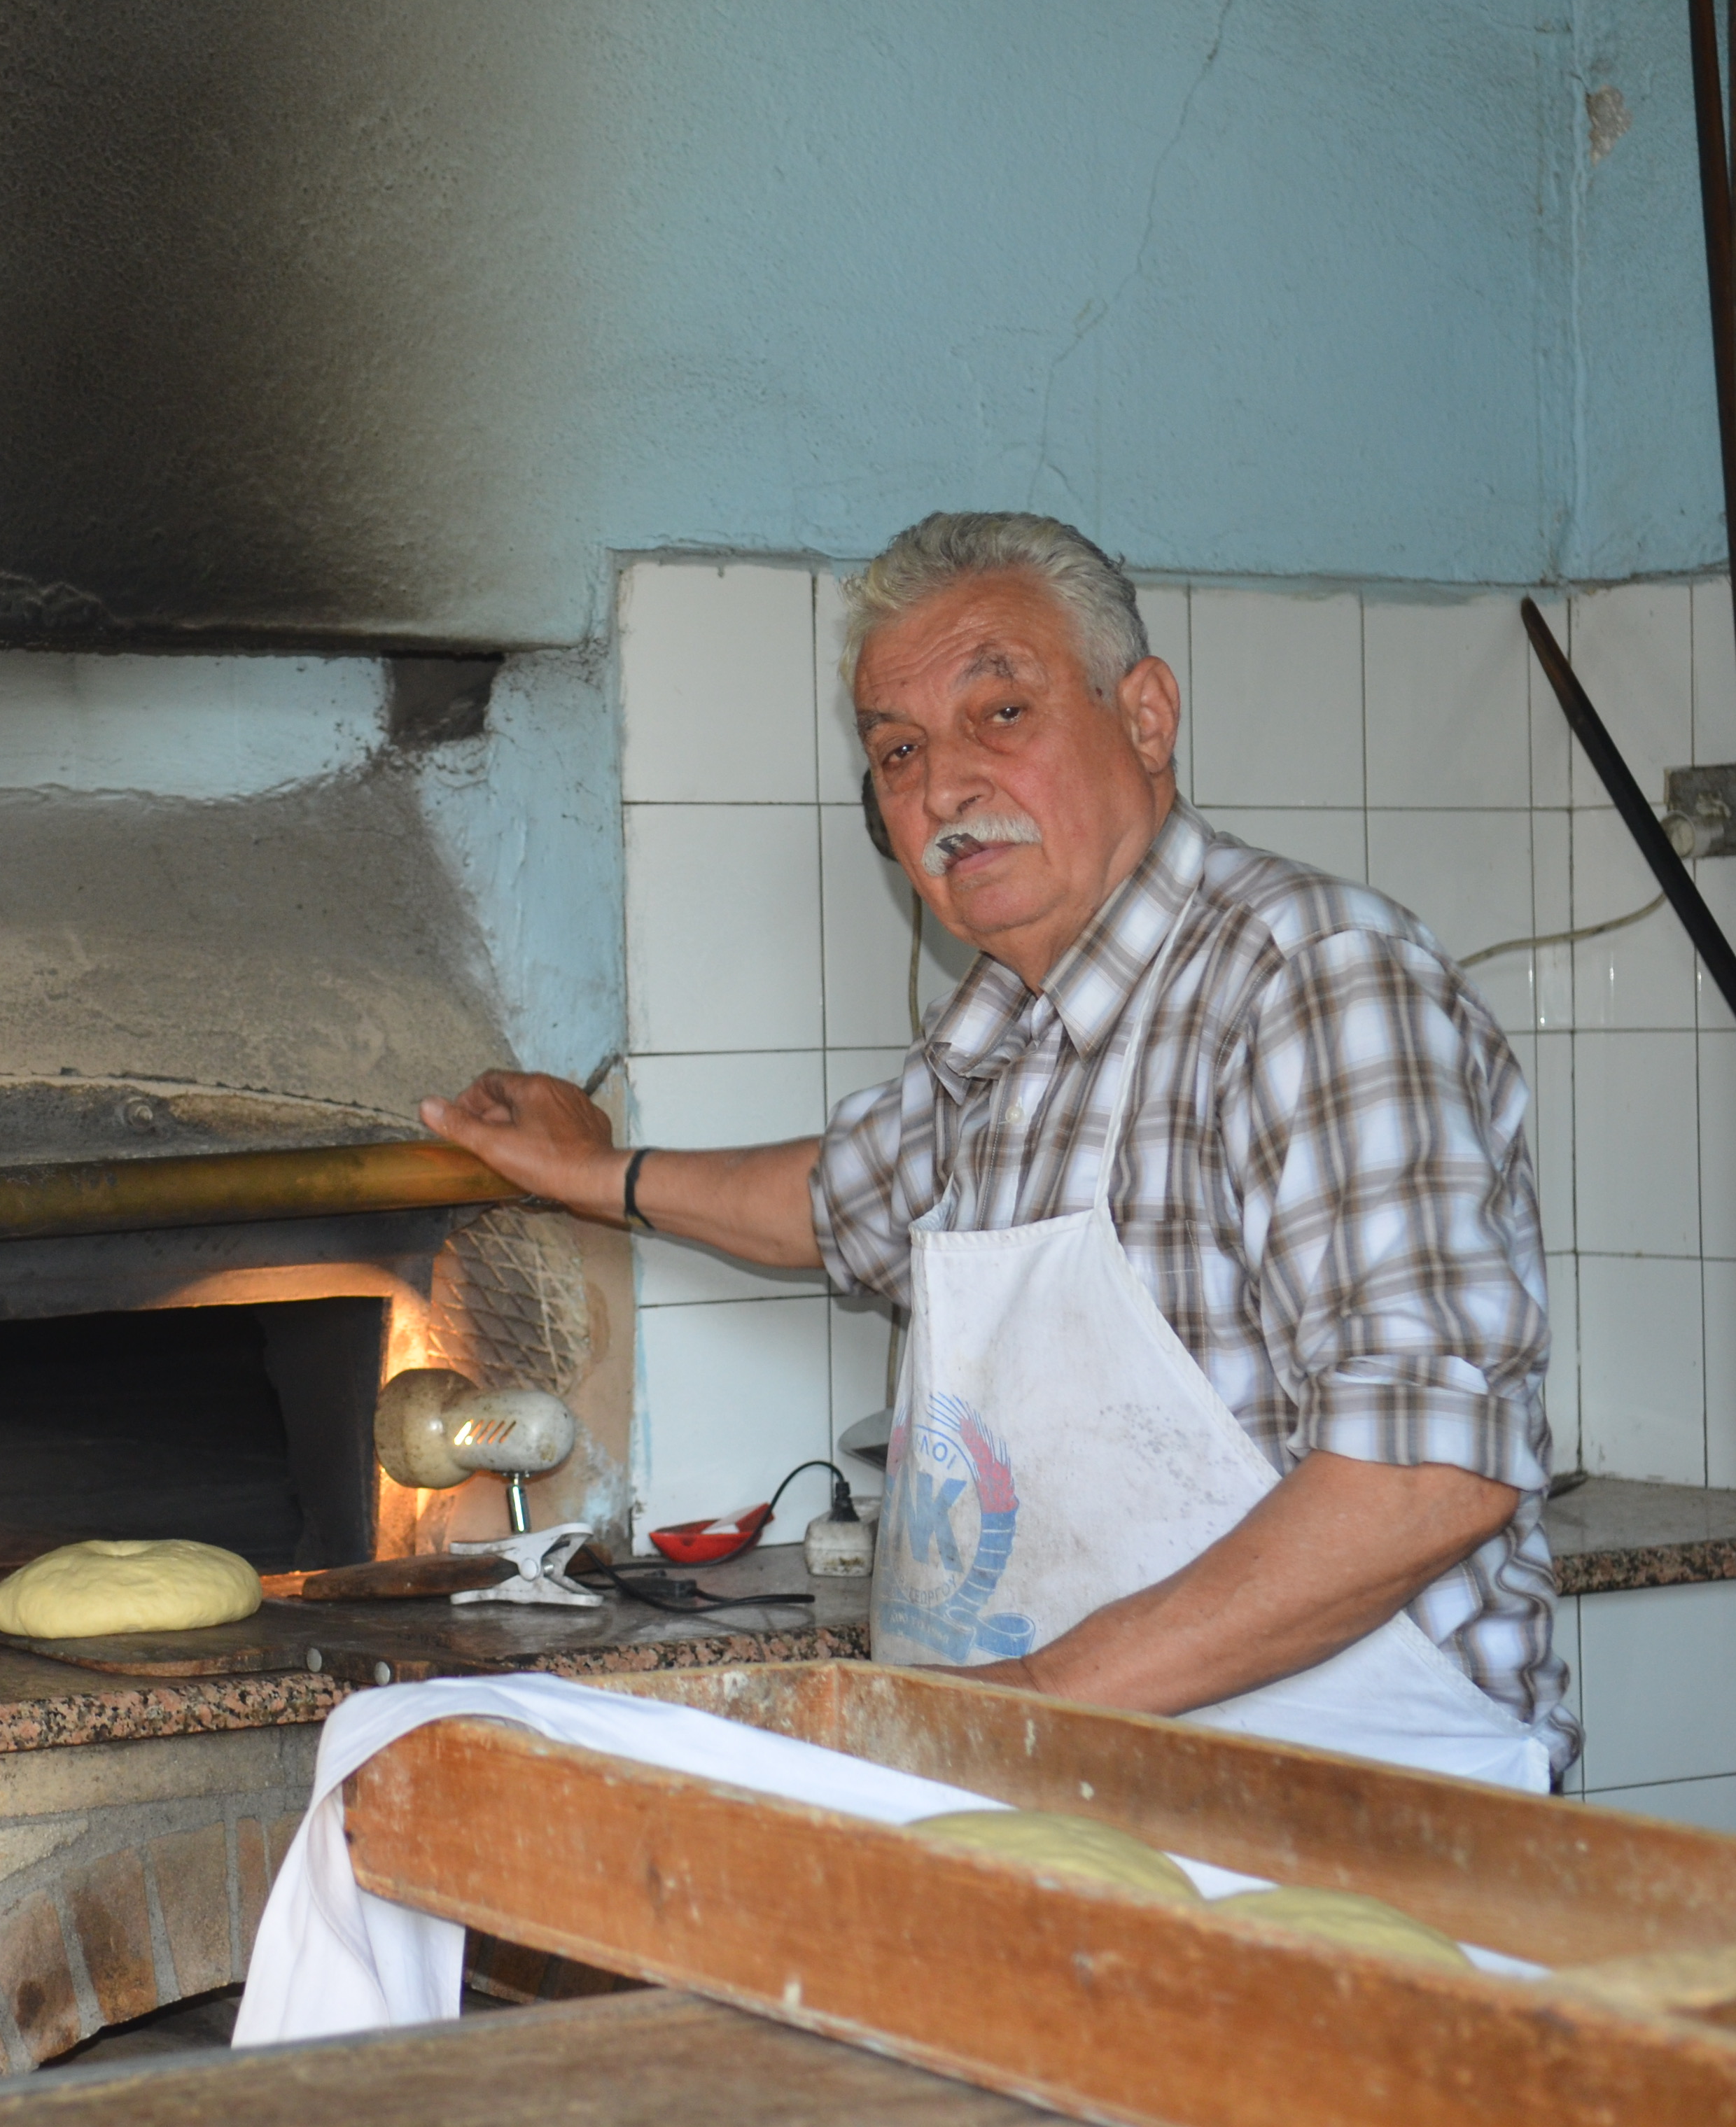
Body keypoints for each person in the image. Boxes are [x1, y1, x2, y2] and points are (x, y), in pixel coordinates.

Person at [426, 512, 1573, 1786]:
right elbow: (827, 1202)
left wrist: (1017, 1711)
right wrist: (599, 1172)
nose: (946, 787)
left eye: (1003, 715)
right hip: (1072, 1804)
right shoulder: (1005, 1039)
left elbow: (1424, 1479)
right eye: (900, 750)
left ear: (1145, 717)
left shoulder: (1312, 985)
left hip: (1346, 1817)